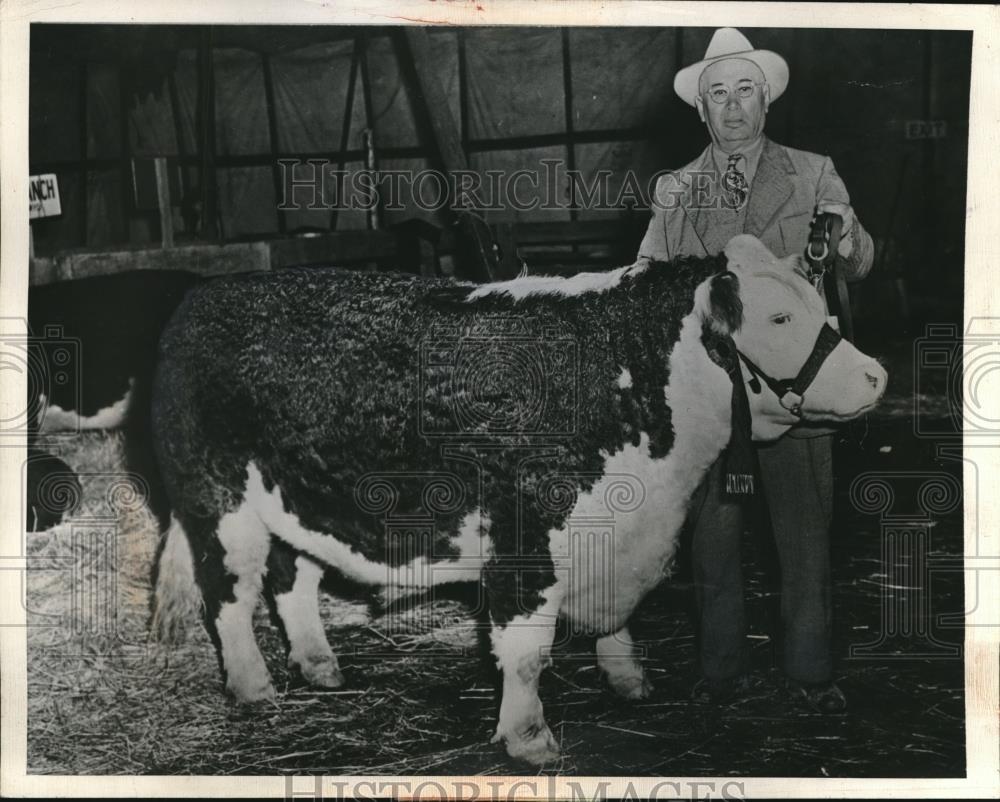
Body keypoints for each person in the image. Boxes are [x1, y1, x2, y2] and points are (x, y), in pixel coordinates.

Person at [636, 28, 875, 713]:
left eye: (746, 90)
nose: (733, 106)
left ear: (765, 100)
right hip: (713, 398)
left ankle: (809, 673)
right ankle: (721, 674)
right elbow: (647, 276)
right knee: (712, 544)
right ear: (701, 110)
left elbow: (862, 261)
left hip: (800, 388)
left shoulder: (812, 171)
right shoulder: (677, 191)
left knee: (805, 537)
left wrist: (850, 235)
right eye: (719, 94)